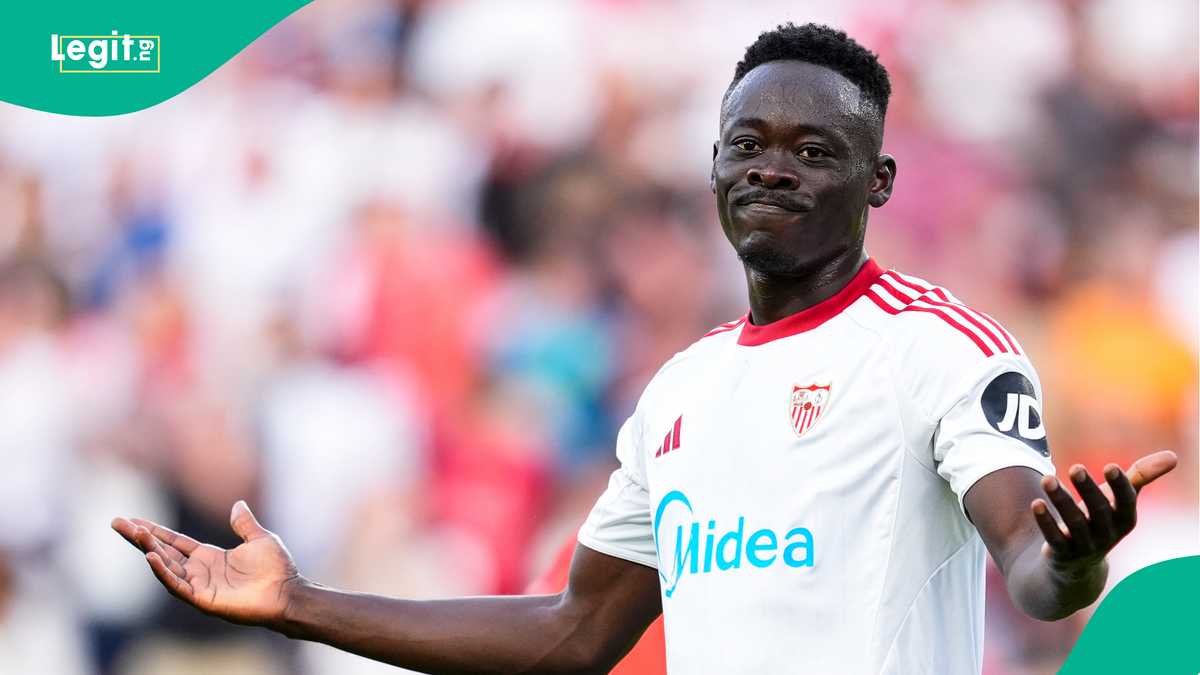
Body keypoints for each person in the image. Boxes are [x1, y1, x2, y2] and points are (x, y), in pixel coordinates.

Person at [112, 23, 1178, 674]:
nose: (772, 169)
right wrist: (299, 603)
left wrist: (1073, 556)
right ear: (713, 167)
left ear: (879, 182)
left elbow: (1030, 565)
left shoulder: (938, 348)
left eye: (815, 149)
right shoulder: (683, 390)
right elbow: (574, 633)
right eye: (747, 145)